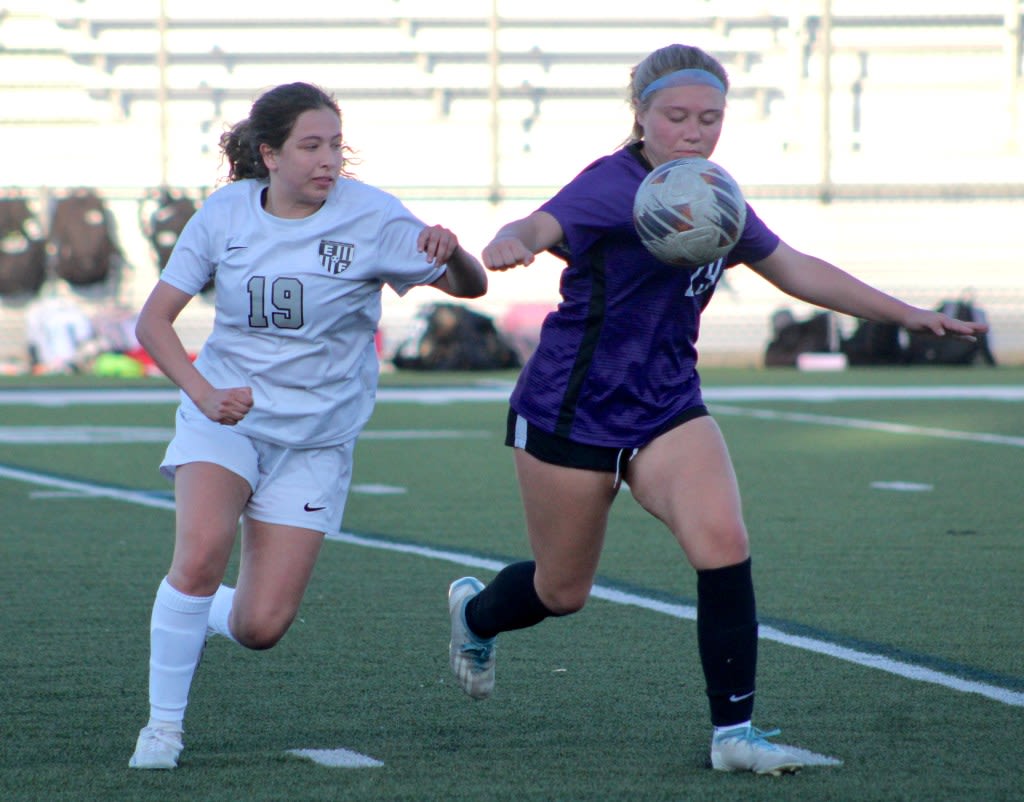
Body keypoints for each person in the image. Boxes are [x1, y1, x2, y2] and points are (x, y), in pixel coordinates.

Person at [446, 44, 988, 776]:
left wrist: (908, 314)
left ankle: (734, 734)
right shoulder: (610, 184)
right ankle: (475, 615)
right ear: (639, 116)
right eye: (676, 117)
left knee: (723, 541)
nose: (694, 132)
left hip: (668, 405)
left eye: (710, 118)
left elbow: (791, 265)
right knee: (561, 590)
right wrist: (512, 242)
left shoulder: (712, 191)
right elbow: (541, 227)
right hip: (570, 411)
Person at [129, 82, 487, 770]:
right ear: (269, 154)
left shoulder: (373, 217)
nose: (328, 160)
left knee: (261, 627)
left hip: (316, 441)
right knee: (200, 554)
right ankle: (163, 729)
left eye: (335, 145)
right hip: (227, 419)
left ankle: (193, 612)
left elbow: (469, 289)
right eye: (311, 146)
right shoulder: (226, 214)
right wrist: (203, 394)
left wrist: (456, 252)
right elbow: (153, 322)